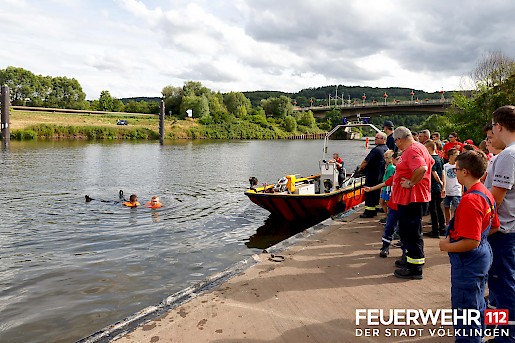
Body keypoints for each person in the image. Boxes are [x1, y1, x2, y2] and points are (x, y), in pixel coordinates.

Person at [439, 150, 499, 343]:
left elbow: (471, 241)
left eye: (456, 169)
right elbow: (495, 226)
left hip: (469, 261)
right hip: (483, 255)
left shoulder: (470, 200)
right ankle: (478, 336)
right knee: (477, 302)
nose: (454, 172)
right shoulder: (485, 193)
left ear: (465, 172)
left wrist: (445, 246)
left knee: (465, 309)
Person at [391, 126, 434, 279]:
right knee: (407, 231)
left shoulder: (413, 150)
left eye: (396, 142)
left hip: (412, 198)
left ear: (399, 139)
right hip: (411, 198)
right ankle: (409, 259)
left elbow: (421, 168)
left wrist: (410, 183)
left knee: (411, 232)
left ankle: (415, 268)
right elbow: (431, 162)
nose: (396, 145)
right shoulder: (419, 147)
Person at [487, 105, 515, 342]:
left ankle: (506, 337)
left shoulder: (508, 155)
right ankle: (498, 329)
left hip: (503, 230)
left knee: (502, 286)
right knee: (499, 288)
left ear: (499, 126)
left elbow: (494, 199)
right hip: (510, 229)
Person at [364, 151, 402, 258]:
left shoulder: (406, 175)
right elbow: (385, 183)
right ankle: (385, 247)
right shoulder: (396, 175)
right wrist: (371, 188)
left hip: (403, 204)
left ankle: (404, 249)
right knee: (389, 226)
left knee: (402, 227)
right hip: (394, 203)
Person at [357, 132, 388, 218]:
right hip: (380, 175)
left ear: (383, 139)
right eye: (375, 138)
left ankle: (369, 212)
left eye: (377, 138)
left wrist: (359, 169)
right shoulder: (386, 149)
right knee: (376, 192)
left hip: (372, 175)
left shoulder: (376, 150)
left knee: (369, 192)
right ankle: (374, 209)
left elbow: (365, 161)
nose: (375, 139)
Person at [424, 140, 446, 238]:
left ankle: (435, 230)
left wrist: (438, 181)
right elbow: (443, 172)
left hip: (432, 186)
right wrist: (443, 184)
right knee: (439, 208)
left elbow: (434, 173)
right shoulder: (440, 158)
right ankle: (442, 228)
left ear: (429, 148)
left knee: (433, 209)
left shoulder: (430, 159)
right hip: (439, 186)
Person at [443, 148, 462, 228]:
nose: (458, 156)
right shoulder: (445, 166)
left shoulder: (459, 166)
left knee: (457, 208)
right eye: (456, 155)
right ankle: (448, 222)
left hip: (456, 190)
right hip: (447, 190)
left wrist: (462, 190)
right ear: (451, 156)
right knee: (446, 206)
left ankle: (456, 223)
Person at [379, 150, 395, 219]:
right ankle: (387, 215)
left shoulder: (392, 167)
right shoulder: (388, 166)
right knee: (382, 201)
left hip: (388, 188)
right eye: (385, 158)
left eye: (387, 158)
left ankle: (388, 216)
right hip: (385, 187)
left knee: (387, 202)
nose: (385, 160)